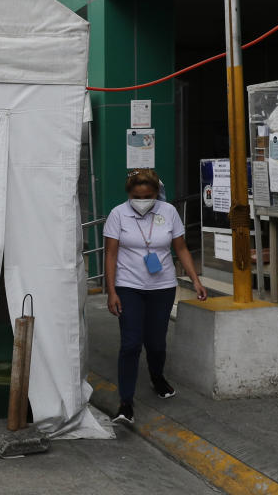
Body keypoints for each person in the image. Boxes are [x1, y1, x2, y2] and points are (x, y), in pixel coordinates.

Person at [103, 169, 206, 425]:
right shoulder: (118, 214)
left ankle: (157, 377)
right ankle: (126, 403)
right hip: (128, 286)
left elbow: (180, 247)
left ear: (156, 193)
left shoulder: (168, 212)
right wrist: (112, 291)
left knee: (157, 342)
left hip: (162, 286)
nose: (142, 200)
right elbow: (111, 255)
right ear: (129, 194)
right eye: (137, 196)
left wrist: (195, 279)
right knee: (130, 344)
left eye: (148, 195)